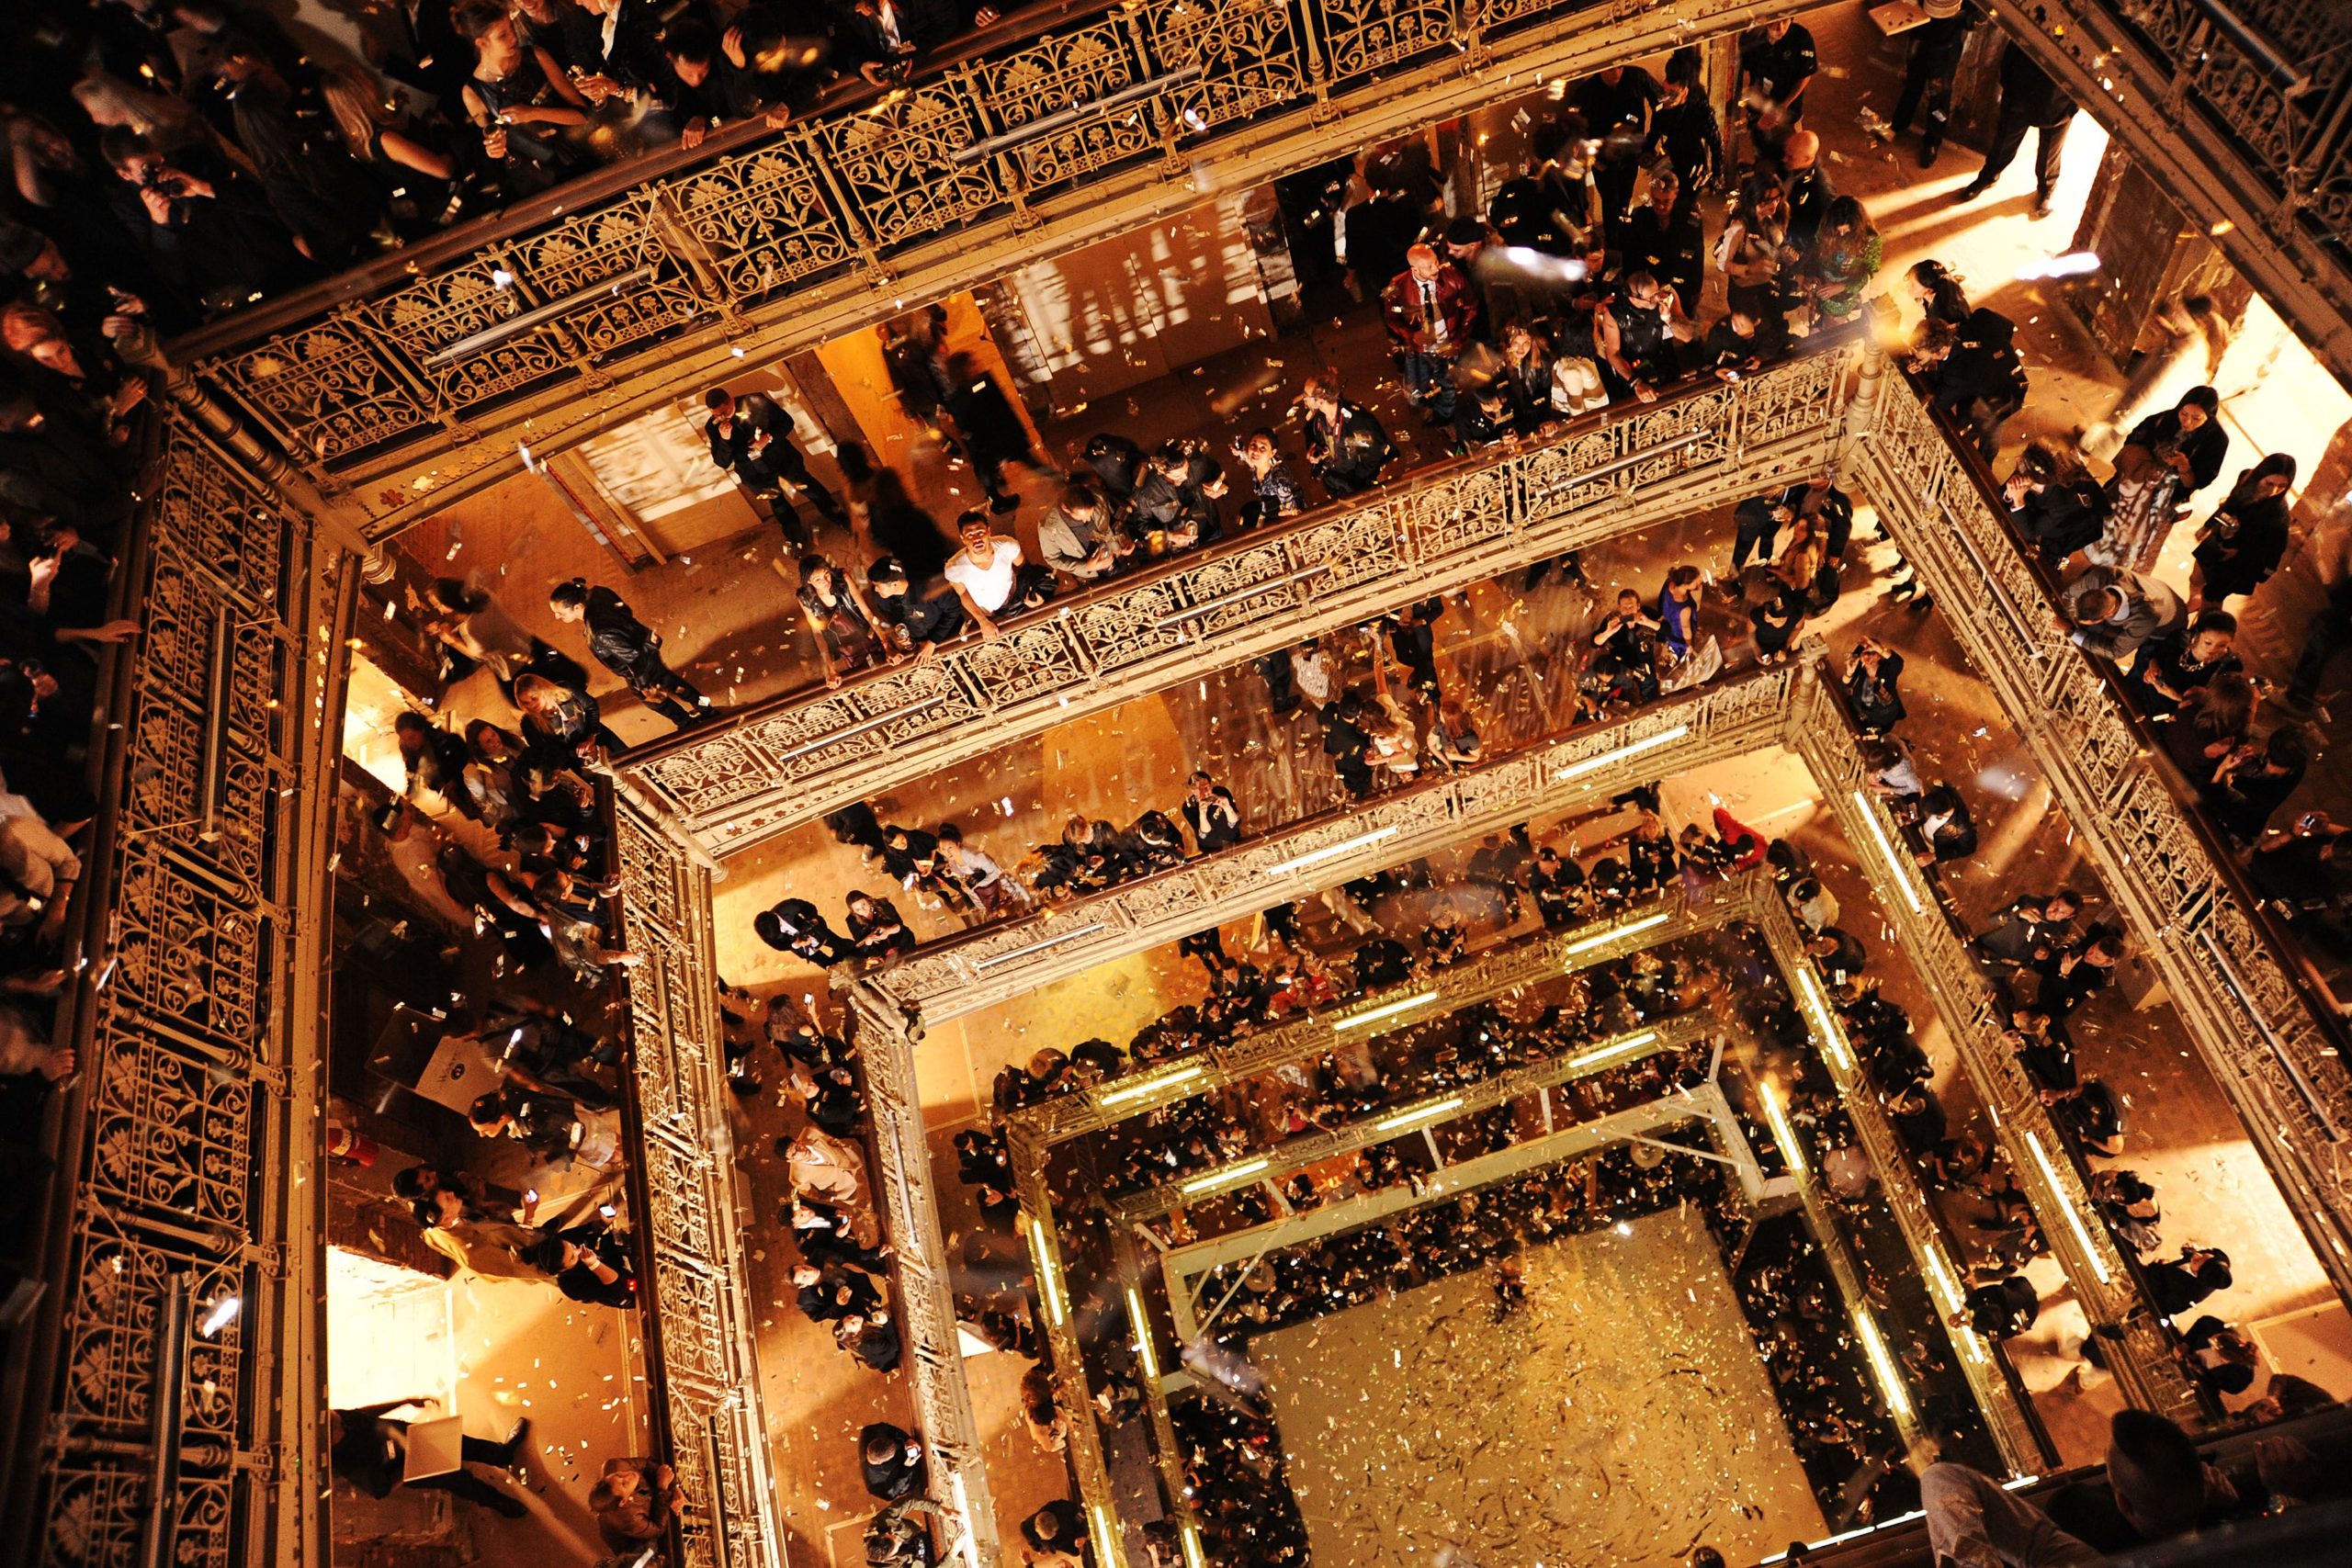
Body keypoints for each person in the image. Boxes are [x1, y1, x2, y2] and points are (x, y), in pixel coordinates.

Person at [2098, 387, 2230, 573]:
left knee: (2140, 543)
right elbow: (2135, 439)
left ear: (2209, 417)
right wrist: (2147, 461)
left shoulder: (2216, 441)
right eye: (2184, 414)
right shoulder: (2164, 420)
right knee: (2107, 521)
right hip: (2135, 483)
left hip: (2165, 500)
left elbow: (2201, 480)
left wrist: (2184, 466)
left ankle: (2117, 575)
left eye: (2196, 418)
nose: (2188, 422)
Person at [548, 579, 711, 730]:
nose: (556, 617)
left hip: (639, 667)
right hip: (646, 645)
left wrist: (643, 684)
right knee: (674, 682)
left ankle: (686, 723)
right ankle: (706, 708)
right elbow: (625, 610)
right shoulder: (598, 592)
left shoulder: (599, 632)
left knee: (656, 700)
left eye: (560, 613)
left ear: (576, 607)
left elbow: (632, 658)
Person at [332, 1403, 531, 1517]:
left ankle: (502, 1455)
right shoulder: (347, 1462)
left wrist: (405, 1401)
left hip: (412, 1436)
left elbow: (365, 1413)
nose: (335, 1414)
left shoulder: (340, 1418)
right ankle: (498, 1502)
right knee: (458, 1480)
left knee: (461, 1443)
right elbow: (381, 1489)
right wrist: (413, 1458)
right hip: (412, 1467)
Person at [704, 387, 845, 547]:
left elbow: (787, 422)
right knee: (779, 506)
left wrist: (768, 438)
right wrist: (725, 440)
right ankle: (796, 539)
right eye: (716, 415)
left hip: (783, 460)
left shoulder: (754, 402)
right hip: (756, 475)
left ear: (730, 399)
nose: (722, 418)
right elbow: (722, 462)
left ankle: (839, 517)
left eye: (725, 412)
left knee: (810, 488)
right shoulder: (713, 427)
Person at [1956, 38, 2077, 219]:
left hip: (2057, 102)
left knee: (2050, 153)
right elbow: (2016, 45)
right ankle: (1988, 177)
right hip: (2021, 91)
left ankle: (2047, 189)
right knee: (2004, 142)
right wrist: (2009, 83)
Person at [1381, 244, 1475, 424]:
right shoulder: (1397, 286)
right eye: (1429, 266)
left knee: (1448, 388)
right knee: (1415, 393)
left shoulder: (1452, 275)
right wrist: (1411, 335)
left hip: (1448, 344)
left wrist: (1458, 340)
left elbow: (1472, 306)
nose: (1436, 268)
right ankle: (1428, 406)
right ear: (1414, 269)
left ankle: (1443, 419)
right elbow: (1391, 318)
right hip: (1418, 350)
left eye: (1436, 262)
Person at [2189, 455, 2295, 609]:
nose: (2273, 491)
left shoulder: (2279, 514)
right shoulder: (2246, 478)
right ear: (2261, 475)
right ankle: (2194, 602)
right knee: (2196, 579)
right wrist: (2209, 525)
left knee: (2212, 597)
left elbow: (2275, 549)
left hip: (2239, 560)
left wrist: (2240, 553)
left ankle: (2203, 626)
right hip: (2221, 539)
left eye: (2281, 486)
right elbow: (2230, 504)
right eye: (2270, 483)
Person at [1890, 0, 1975, 166]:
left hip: (1945, 51)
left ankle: (1933, 141)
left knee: (1938, 102)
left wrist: (1961, 15)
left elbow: (1974, 19)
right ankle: (1899, 123)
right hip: (1920, 39)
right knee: (1912, 87)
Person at [943, 512, 1053, 636]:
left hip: (1015, 603)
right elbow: (963, 594)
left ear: (989, 531)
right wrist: (982, 621)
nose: (977, 539)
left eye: (980, 532)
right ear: (963, 539)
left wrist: (1031, 596)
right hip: (987, 614)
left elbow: (1025, 568)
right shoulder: (955, 567)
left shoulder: (1007, 546)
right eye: (970, 535)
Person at [1619, 168, 1704, 316]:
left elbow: (1697, 254)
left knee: (1684, 318)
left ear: (1676, 194)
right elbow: (1630, 253)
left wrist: (1696, 289)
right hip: (1654, 281)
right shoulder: (1640, 217)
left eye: (1666, 201)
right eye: (1656, 201)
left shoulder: (1690, 216)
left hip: (1681, 279)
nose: (1660, 207)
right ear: (1651, 193)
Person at [2060, 564, 2185, 665]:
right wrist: (2072, 617)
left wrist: (2072, 632)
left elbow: (2116, 651)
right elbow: (2068, 595)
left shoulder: (2144, 617)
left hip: (2170, 622)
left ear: (2107, 614)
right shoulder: (2099, 578)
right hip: (2153, 588)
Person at [797, 554, 891, 686]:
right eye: (818, 579)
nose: (826, 581)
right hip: (846, 644)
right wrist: (830, 668)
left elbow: (867, 613)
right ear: (808, 581)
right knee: (865, 679)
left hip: (865, 633)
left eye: (826, 574)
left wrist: (887, 644)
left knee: (886, 669)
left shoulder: (842, 578)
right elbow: (817, 633)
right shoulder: (804, 597)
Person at [1298, 372, 1394, 498]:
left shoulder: (1357, 422)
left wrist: (1357, 479)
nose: (1303, 400)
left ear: (1320, 400)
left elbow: (1375, 453)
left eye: (1306, 396)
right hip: (1335, 482)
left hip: (1358, 486)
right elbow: (1310, 432)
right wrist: (1313, 448)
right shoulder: (1317, 417)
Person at [1800, 196, 1882, 327]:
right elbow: (1816, 250)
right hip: (1822, 280)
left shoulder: (1871, 239)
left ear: (1857, 226)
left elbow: (1868, 273)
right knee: (1815, 309)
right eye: (1838, 230)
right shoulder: (1827, 226)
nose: (1842, 234)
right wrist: (1811, 275)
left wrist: (1842, 286)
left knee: (1835, 320)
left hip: (1848, 287)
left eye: (1846, 230)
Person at [590, 1455, 685, 1549]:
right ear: (623, 1501)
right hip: (636, 1542)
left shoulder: (613, 1465)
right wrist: (662, 1488)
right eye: (624, 1484)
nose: (628, 1475)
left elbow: (646, 1464)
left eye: (618, 1475)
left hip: (656, 1495)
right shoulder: (628, 1519)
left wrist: (674, 1487)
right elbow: (657, 1529)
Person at [1845, 637, 1905, 732]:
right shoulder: (1858, 671)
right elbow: (1842, 685)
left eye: (1872, 653)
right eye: (1865, 654)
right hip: (1858, 719)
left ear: (1879, 656)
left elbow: (1898, 663)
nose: (1868, 657)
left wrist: (1880, 649)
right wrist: (1849, 673)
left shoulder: (1887, 670)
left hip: (1883, 721)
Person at [1915, 783, 1978, 864]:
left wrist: (1933, 856)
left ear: (1940, 815)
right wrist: (1914, 818)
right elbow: (1926, 807)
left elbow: (1968, 849)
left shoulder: (1964, 826)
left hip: (1930, 848)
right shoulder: (1941, 789)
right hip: (1919, 830)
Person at [860, 1423, 925, 1502]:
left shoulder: (870, 1431)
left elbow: (887, 1428)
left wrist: (907, 1439)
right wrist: (906, 1468)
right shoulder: (874, 1484)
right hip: (910, 1479)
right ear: (881, 1461)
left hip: (910, 1457)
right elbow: (890, 1495)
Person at [1181, 772, 1242, 853]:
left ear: (1211, 785)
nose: (1206, 792)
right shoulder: (1188, 807)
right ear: (1193, 790)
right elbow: (1204, 835)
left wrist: (1227, 808)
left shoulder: (1221, 792)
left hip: (1233, 839)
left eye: (1207, 787)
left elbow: (1235, 822)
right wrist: (1202, 815)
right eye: (1201, 789)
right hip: (1211, 849)